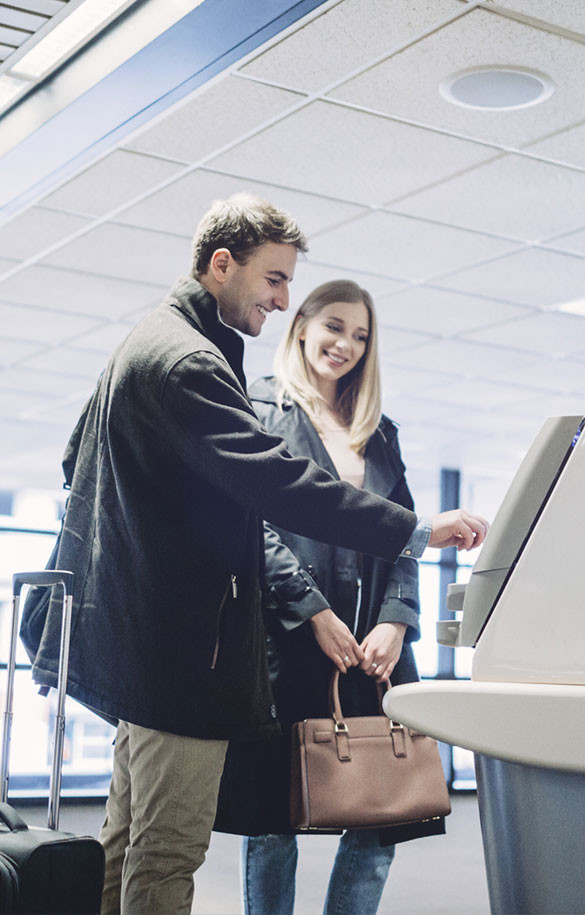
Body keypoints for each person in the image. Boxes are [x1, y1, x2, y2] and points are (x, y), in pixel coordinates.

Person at [24, 194, 487, 915]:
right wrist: (417, 530)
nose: (279, 297)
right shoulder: (190, 362)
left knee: (124, 838)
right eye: (273, 279)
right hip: (183, 656)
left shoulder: (152, 341)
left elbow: (71, 461)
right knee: (168, 848)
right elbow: (280, 488)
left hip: (153, 646)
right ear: (221, 264)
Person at [212, 279, 448, 914]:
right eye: (335, 326)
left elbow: (405, 534)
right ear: (302, 328)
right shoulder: (258, 409)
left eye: (361, 336)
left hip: (375, 647)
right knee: (273, 820)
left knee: (388, 810)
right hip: (284, 640)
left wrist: (397, 621)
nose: (346, 343)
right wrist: (312, 608)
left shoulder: (380, 431)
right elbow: (247, 525)